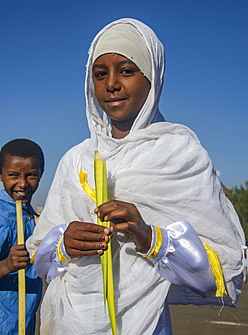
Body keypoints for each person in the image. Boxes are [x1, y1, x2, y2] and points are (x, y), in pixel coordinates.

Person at [27, 18, 245, 335]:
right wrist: (64, 244)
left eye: (126, 71)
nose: (111, 84)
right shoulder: (76, 159)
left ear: (152, 77)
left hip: (144, 325)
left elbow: (221, 271)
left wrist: (151, 237)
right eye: (100, 74)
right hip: (71, 321)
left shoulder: (181, 155)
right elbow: (40, 257)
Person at [0, 138, 44, 334]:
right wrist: (6, 265)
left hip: (24, 325)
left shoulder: (33, 217)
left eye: (32, 175)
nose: (23, 183)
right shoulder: (2, 217)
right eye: (13, 175)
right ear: (0, 175)